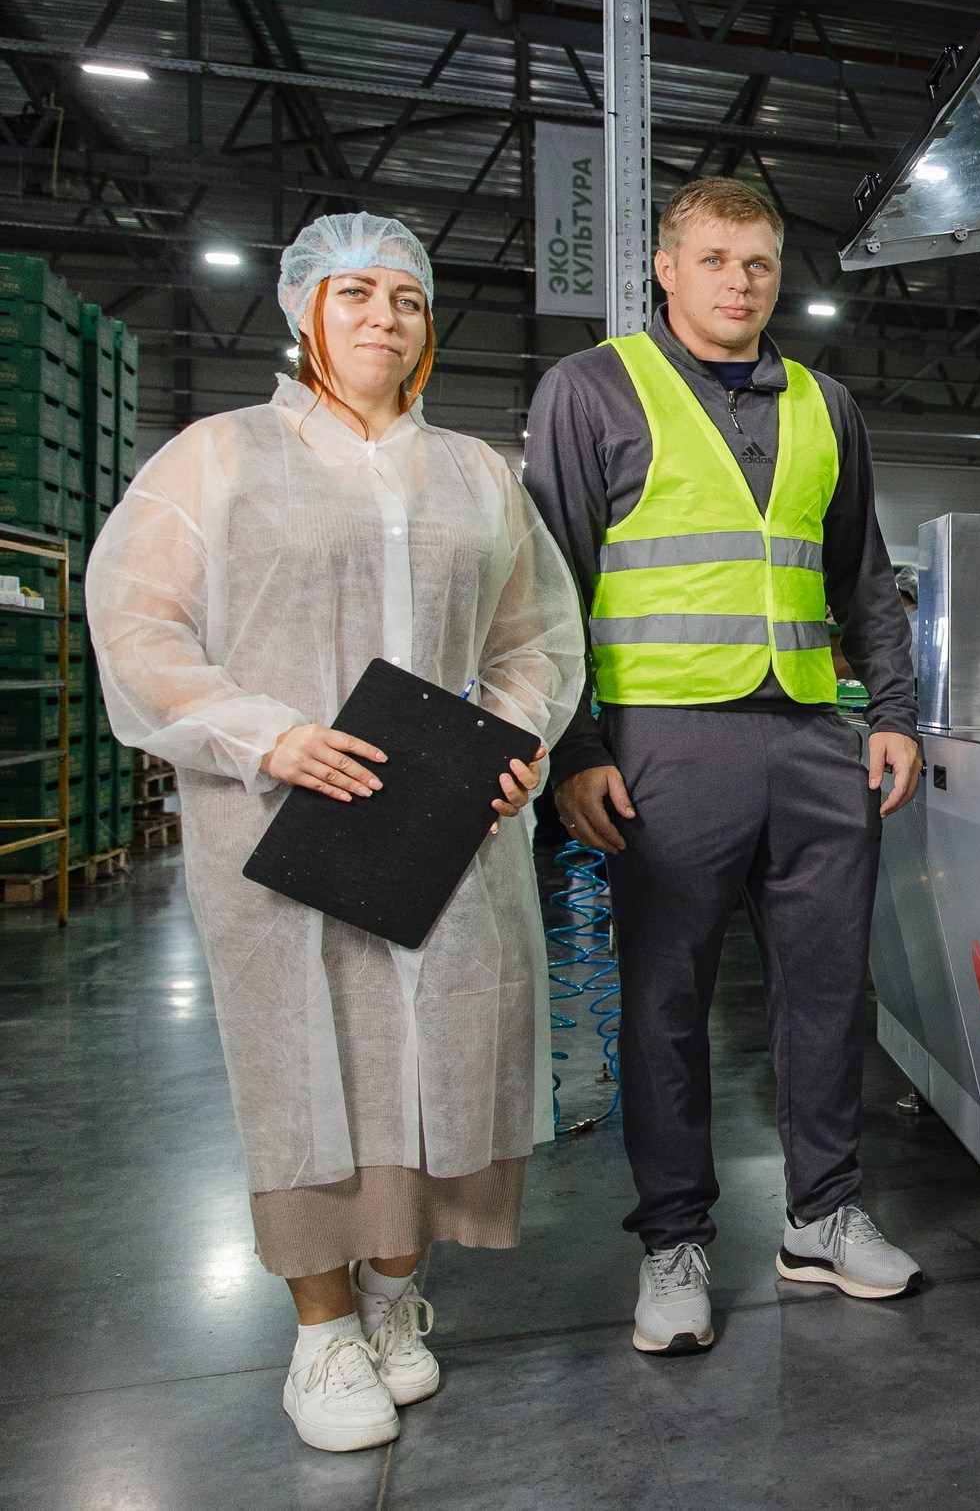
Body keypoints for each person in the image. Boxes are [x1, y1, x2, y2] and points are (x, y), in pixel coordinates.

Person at [87, 213, 585, 1452]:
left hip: (447, 834)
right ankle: (319, 1332)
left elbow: (537, 639)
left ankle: (392, 1288)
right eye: (355, 294)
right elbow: (137, 625)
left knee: (444, 1059)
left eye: (407, 300)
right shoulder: (218, 456)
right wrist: (262, 732)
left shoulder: (476, 473)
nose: (384, 317)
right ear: (304, 311)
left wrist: (512, 743)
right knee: (309, 1067)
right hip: (279, 818)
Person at [523, 176, 923, 1358]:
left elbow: (864, 577)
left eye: (756, 263)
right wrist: (574, 750)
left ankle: (824, 1214)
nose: (738, 283)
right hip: (662, 744)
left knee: (825, 991)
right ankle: (674, 1243)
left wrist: (888, 711)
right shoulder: (592, 388)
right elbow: (546, 592)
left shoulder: (823, 402)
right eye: (713, 260)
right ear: (664, 266)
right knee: (663, 1005)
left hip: (809, 734)